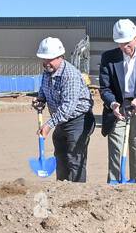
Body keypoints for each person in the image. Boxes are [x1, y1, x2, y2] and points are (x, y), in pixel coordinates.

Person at [98, 18, 136, 183]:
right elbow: (105, 88)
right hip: (117, 107)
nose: (124, 47)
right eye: (120, 43)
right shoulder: (108, 57)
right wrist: (113, 104)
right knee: (116, 149)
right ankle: (115, 185)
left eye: (127, 42)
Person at [33, 37, 96, 182]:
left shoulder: (70, 75)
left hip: (78, 120)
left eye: (50, 59)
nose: (46, 62)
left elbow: (68, 107)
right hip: (61, 121)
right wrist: (40, 100)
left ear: (60, 57)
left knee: (75, 160)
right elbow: (44, 90)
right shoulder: (47, 72)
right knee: (60, 158)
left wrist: (49, 125)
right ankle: (61, 191)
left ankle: (77, 196)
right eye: (44, 59)